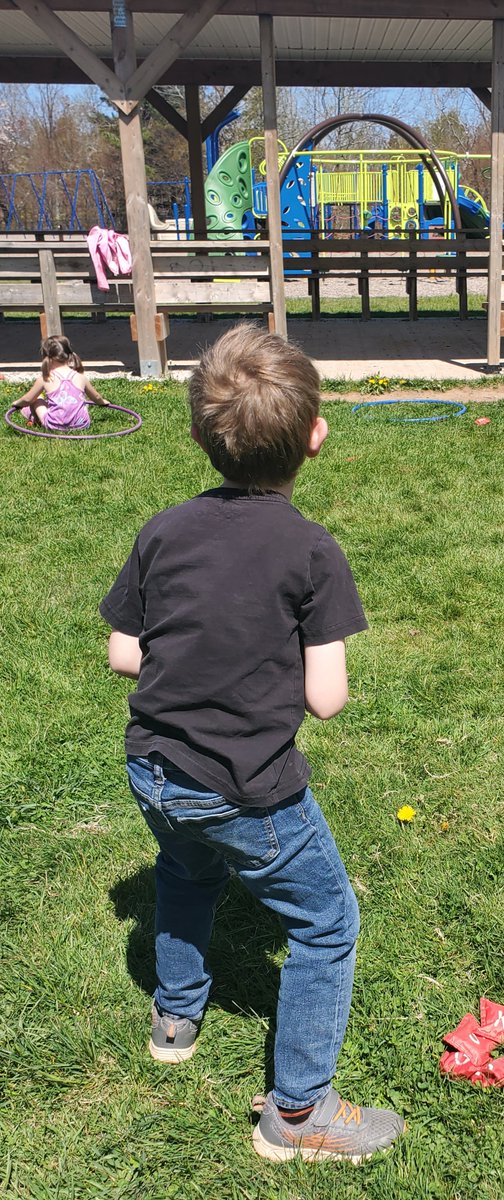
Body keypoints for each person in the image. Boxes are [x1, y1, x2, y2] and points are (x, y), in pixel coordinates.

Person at [99, 324, 405, 1163]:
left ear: (199, 434)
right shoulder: (311, 551)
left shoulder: (163, 530)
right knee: (326, 920)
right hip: (247, 786)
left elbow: (125, 651)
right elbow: (327, 699)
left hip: (153, 769)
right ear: (317, 435)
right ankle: (299, 1113)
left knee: (185, 870)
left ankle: (175, 1017)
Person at [11, 335, 109, 430]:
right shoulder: (81, 377)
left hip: (54, 425)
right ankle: (74, 420)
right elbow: (96, 397)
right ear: (69, 355)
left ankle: (36, 421)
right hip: (81, 425)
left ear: (46, 357)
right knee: (82, 402)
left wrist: (17, 403)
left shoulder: (46, 378)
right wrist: (103, 402)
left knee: (38, 399)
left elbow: (28, 399)